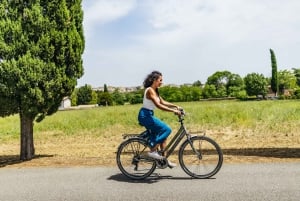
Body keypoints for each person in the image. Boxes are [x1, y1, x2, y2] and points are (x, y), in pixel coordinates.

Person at [138, 71, 181, 168]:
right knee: (166, 129)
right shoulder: (149, 90)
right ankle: (153, 151)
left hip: (149, 115)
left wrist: (176, 106)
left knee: (163, 137)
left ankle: (164, 159)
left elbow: (162, 101)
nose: (162, 82)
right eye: (160, 80)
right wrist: (173, 111)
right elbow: (159, 105)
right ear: (154, 80)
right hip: (145, 116)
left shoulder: (155, 90)